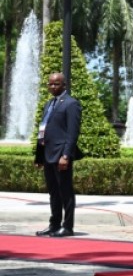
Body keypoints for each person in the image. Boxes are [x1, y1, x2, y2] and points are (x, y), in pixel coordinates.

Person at [34, 72, 83, 238]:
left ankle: (67, 226)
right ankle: (54, 225)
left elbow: (72, 133)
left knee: (65, 191)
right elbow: (43, 130)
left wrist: (66, 156)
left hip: (61, 155)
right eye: (50, 84)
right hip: (48, 155)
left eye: (56, 84)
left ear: (64, 85)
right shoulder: (49, 104)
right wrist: (39, 157)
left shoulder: (71, 104)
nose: (52, 87)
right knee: (53, 192)